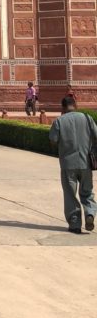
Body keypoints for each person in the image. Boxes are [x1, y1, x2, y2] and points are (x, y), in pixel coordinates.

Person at [49, 95, 97, 234]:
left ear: (62, 107)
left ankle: (75, 224)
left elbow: (53, 140)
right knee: (87, 192)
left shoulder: (59, 121)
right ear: (75, 105)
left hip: (67, 164)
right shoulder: (87, 118)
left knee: (70, 194)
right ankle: (90, 213)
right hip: (86, 163)